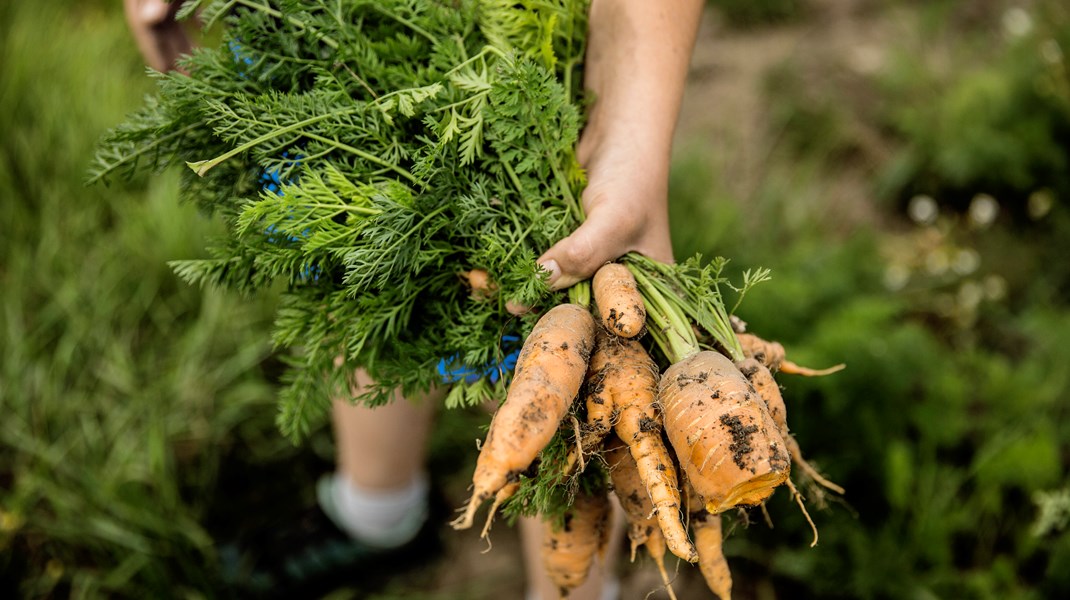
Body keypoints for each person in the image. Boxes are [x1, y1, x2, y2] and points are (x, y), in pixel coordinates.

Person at [124, 1, 704, 598]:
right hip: (303, 31)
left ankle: (573, 589)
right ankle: (376, 510)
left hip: (500, 44)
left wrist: (631, 134)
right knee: (357, 253)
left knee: (550, 364)